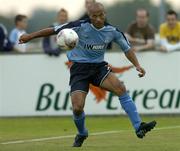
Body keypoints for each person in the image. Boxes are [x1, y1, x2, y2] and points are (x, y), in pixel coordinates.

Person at [19, 2, 156, 147]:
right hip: (79, 69)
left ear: (105, 14)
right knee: (77, 107)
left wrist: (137, 65)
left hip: (98, 67)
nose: (98, 19)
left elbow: (127, 49)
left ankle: (138, 126)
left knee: (120, 88)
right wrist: (30, 36)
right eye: (94, 16)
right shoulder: (78, 26)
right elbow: (53, 30)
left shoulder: (113, 31)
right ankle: (82, 133)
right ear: (89, 16)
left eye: (100, 15)